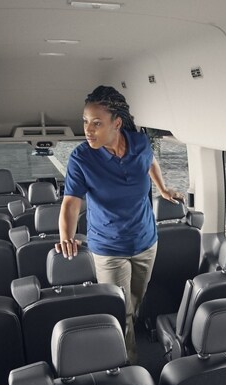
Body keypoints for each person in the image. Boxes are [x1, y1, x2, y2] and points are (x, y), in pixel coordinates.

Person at [56, 85, 183, 363]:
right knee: (120, 309)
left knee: (136, 301)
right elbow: (71, 203)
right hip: (109, 246)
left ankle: (128, 333)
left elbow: (150, 162)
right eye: (86, 122)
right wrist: (66, 234)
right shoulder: (81, 157)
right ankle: (128, 366)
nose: (88, 129)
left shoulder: (138, 142)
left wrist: (162, 189)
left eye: (96, 123)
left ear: (116, 123)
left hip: (146, 241)